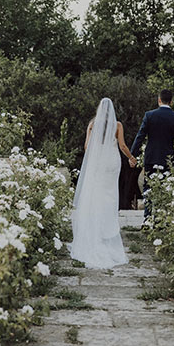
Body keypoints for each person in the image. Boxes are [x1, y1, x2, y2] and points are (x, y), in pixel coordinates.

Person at [69, 98, 135, 269]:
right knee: (111, 195)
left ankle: (96, 229)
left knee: (97, 194)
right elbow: (122, 145)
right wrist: (131, 157)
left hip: (99, 162)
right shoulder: (117, 125)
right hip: (112, 162)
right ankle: (108, 230)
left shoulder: (92, 124)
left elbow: (86, 147)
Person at [130, 89, 174, 220]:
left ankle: (148, 219)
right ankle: (161, 218)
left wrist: (132, 155)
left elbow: (140, 137)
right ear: (171, 101)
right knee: (165, 188)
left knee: (148, 187)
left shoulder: (149, 115)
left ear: (159, 100)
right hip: (168, 159)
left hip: (151, 156)